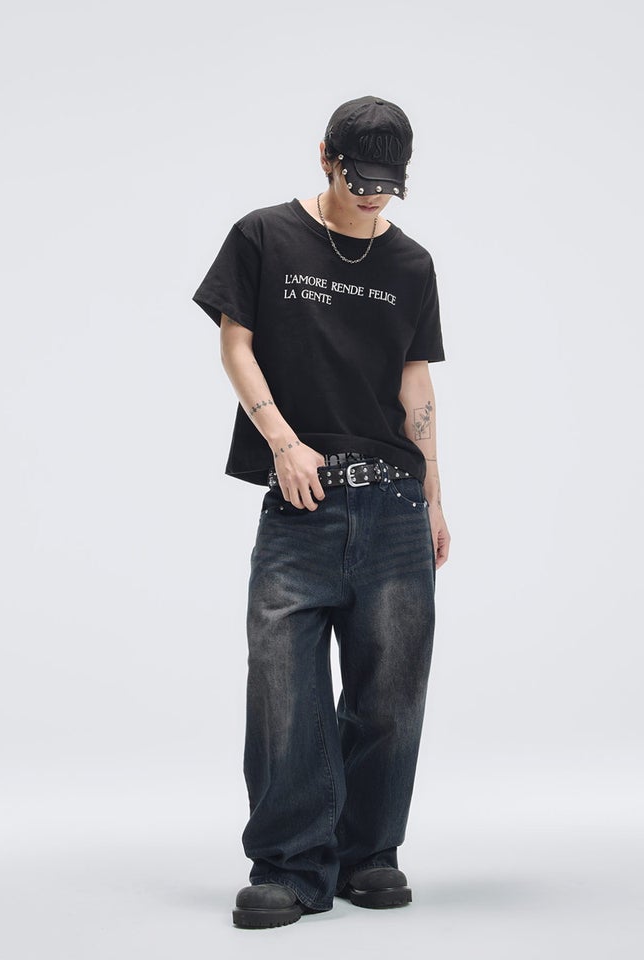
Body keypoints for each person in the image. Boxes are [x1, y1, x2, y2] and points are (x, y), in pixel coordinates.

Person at [192, 95, 451, 929]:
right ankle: (288, 863)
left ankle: (369, 850)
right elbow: (235, 343)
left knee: (391, 692)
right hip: (302, 499)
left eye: (387, 186)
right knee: (283, 687)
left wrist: (436, 499)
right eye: (358, 179)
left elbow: (415, 384)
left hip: (394, 501)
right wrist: (282, 441)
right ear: (325, 156)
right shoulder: (265, 235)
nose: (372, 197)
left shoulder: (411, 264)